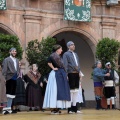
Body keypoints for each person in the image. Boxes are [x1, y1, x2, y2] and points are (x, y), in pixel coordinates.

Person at [43, 45, 71, 114]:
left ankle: (57, 107)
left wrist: (65, 74)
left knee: (60, 90)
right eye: (60, 49)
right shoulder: (53, 56)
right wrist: (53, 68)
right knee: (55, 90)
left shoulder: (59, 57)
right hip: (56, 74)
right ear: (57, 49)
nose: (61, 50)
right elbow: (48, 62)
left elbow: (63, 66)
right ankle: (54, 108)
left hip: (61, 74)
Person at [63, 41, 81, 114]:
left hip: (77, 73)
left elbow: (78, 64)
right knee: (71, 91)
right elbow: (65, 64)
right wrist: (66, 74)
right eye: (72, 45)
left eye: (74, 44)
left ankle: (75, 108)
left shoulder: (75, 54)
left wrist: (79, 72)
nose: (73, 46)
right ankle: (69, 108)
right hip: (70, 73)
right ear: (68, 46)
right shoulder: (66, 54)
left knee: (76, 91)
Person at [2, 48, 20, 114]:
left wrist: (18, 73)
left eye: (15, 51)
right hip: (8, 78)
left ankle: (9, 108)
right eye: (13, 51)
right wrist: (4, 79)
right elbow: (4, 70)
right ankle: (4, 109)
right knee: (6, 94)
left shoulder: (17, 60)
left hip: (15, 78)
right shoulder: (6, 60)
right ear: (10, 52)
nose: (14, 52)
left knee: (12, 95)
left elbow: (18, 69)